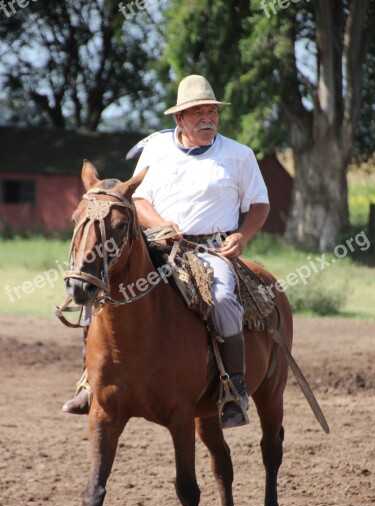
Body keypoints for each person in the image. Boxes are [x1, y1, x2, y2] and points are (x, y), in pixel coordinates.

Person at [64, 74, 270, 428]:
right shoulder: (155, 150)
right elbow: (136, 197)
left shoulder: (239, 155)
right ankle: (89, 380)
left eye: (212, 112)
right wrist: (160, 223)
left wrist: (242, 236)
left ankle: (233, 389)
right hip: (157, 243)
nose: (208, 118)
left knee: (221, 299)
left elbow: (260, 204)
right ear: (179, 118)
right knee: (100, 281)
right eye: (198, 113)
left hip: (212, 249)